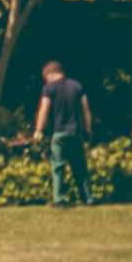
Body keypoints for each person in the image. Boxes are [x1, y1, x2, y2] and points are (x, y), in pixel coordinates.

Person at [33, 62, 92, 208]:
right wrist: (88, 129)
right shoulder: (77, 86)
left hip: (58, 134)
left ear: (50, 74)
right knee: (80, 166)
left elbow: (44, 110)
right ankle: (89, 198)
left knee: (58, 167)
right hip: (76, 132)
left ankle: (59, 199)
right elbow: (86, 110)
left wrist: (39, 130)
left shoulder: (49, 88)